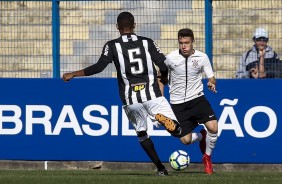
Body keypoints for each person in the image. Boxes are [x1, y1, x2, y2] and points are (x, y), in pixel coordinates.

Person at [62, 11, 182, 176]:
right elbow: (163, 64)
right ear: (134, 25)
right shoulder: (147, 42)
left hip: (130, 98)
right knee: (178, 131)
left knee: (141, 134)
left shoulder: (112, 46)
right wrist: (165, 78)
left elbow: (99, 67)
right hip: (152, 94)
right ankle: (161, 118)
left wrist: (74, 73)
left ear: (117, 27)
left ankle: (161, 168)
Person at [159, 28, 218, 175]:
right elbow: (160, 77)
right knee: (185, 141)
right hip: (178, 104)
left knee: (213, 127)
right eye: (181, 43)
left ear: (193, 42)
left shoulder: (202, 57)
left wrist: (211, 82)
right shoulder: (170, 58)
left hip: (197, 99)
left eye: (187, 43)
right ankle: (201, 136)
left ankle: (207, 158)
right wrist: (161, 100)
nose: (184, 46)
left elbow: (211, 77)